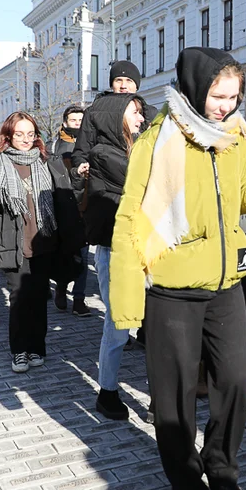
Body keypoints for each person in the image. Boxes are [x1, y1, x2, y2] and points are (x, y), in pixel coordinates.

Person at [109, 47, 246, 490]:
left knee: (236, 379)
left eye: (234, 96)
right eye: (219, 96)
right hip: (172, 286)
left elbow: (241, 195)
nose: (228, 106)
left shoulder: (235, 136)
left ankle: (222, 471)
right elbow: (130, 216)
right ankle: (186, 480)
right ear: (196, 89)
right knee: (174, 399)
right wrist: (126, 297)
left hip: (226, 282)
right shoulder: (160, 137)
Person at [0, 112, 85, 374]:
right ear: (8, 136)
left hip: (45, 241)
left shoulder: (48, 161)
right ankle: (19, 350)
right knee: (19, 298)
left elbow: (66, 200)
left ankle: (38, 347)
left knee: (38, 298)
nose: (25, 139)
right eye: (19, 134)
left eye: (30, 134)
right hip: (12, 243)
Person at [70, 94, 146, 420]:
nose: (141, 118)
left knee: (154, 324)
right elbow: (144, 188)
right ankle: (108, 392)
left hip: (145, 250)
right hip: (116, 252)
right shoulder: (105, 154)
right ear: (117, 116)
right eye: (135, 112)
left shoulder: (136, 148)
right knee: (117, 327)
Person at [51, 104, 91, 317]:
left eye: (80, 120)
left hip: (85, 207)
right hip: (63, 207)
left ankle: (79, 299)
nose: (77, 124)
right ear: (65, 122)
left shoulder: (91, 143)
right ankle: (61, 286)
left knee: (83, 256)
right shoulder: (56, 146)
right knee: (66, 254)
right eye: (73, 120)